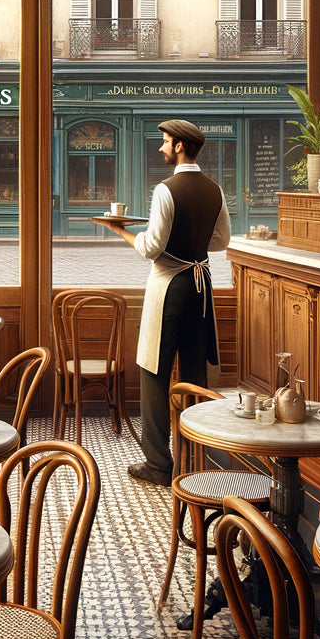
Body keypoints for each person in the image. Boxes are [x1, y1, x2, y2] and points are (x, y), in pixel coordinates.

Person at [92, 119, 230, 486]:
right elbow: (220, 242)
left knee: (153, 371)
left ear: (181, 146)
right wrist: (191, 243)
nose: (161, 148)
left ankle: (158, 464)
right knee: (194, 372)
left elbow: (151, 248)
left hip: (170, 286)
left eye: (165, 142)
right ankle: (195, 457)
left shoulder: (166, 190)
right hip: (201, 287)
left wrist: (120, 230)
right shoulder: (215, 189)